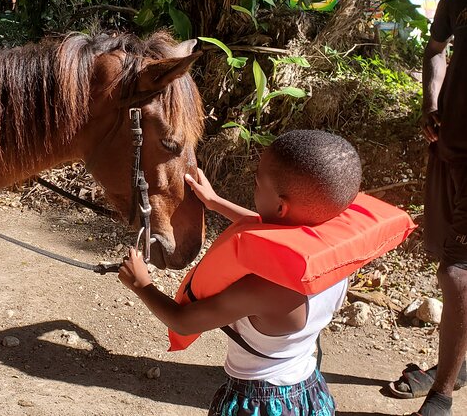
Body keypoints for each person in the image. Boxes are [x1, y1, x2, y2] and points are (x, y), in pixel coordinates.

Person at [119, 130, 362, 415]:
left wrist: (141, 284)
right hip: (309, 389)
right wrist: (214, 202)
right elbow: (272, 228)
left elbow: (184, 322)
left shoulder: (266, 288)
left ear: (281, 206)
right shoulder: (336, 255)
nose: (253, 182)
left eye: (258, 182)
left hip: (260, 402)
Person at [388, 0, 467, 416]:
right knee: (452, 255)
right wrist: (430, 101)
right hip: (449, 147)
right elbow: (436, 48)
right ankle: (459, 365)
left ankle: (443, 394)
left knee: (458, 270)